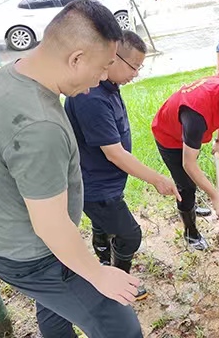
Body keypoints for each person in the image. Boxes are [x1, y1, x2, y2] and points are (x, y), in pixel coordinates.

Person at [0, 0, 143, 338]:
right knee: (120, 325)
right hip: (34, 256)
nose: (100, 80)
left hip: (10, 238)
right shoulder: (40, 126)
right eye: (101, 68)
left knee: (56, 308)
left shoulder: (15, 72)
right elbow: (51, 226)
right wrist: (99, 274)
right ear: (76, 58)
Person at [64, 30, 180, 301]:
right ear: (113, 58)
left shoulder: (108, 86)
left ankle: (103, 262)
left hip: (105, 182)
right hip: (94, 186)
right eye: (134, 66)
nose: (136, 73)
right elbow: (114, 153)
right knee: (130, 235)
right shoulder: (91, 97)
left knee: (103, 227)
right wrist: (157, 179)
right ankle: (118, 282)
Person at [152, 75, 219, 250]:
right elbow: (188, 164)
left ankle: (192, 207)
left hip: (187, 130)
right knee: (186, 187)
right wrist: (215, 195)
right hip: (169, 135)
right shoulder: (196, 117)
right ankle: (191, 233)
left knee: (192, 180)